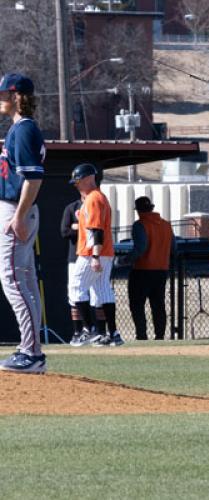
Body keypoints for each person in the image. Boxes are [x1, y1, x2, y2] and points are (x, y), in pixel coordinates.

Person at [0, 73, 46, 373]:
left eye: (3, 93)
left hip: (18, 209)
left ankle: (31, 352)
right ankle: (31, 350)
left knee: (13, 280)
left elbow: (33, 177)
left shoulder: (24, 130)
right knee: (25, 281)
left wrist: (18, 216)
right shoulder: (21, 129)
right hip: (19, 209)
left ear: (16, 96)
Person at [68, 163, 124, 347]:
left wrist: (95, 256)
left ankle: (89, 330)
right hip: (105, 251)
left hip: (92, 252)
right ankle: (113, 333)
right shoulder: (99, 197)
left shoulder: (93, 198)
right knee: (102, 291)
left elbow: (96, 230)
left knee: (76, 287)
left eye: (77, 181)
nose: (76, 185)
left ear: (87, 179)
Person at [125, 196, 174, 340]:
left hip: (142, 270)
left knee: (137, 305)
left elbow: (140, 248)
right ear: (152, 208)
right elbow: (174, 248)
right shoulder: (166, 225)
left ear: (138, 210)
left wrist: (124, 260)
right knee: (158, 305)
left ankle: (141, 335)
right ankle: (160, 336)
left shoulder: (140, 224)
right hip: (161, 270)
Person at [60, 198, 107, 345]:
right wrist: (82, 228)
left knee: (97, 294)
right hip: (75, 257)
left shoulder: (98, 205)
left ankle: (101, 331)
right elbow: (64, 231)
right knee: (74, 294)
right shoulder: (71, 207)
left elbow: (100, 230)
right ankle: (78, 331)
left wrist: (79, 227)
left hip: (92, 256)